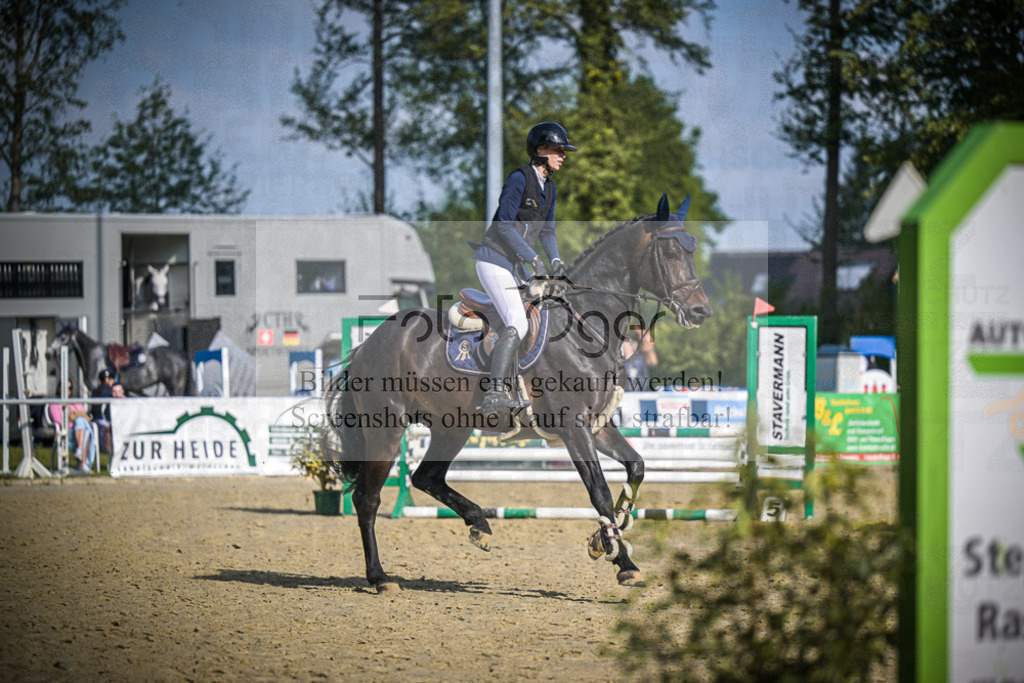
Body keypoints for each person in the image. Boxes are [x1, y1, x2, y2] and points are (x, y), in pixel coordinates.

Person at [472, 122, 577, 414]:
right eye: (558, 150)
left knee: (547, 313)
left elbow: (547, 232)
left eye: (563, 151)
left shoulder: (550, 189)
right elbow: (504, 225)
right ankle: (494, 394)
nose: (563, 155)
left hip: (515, 267)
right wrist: (533, 258)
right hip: (494, 260)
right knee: (517, 322)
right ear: (540, 150)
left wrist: (555, 260)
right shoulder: (519, 178)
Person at [47, 381, 96, 473]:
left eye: (69, 388)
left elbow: (84, 417)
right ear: (58, 388)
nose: (67, 390)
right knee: (83, 426)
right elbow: (58, 421)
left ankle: (80, 451)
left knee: (82, 424)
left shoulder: (76, 403)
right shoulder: (54, 403)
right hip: (66, 432)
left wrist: (77, 422)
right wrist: (75, 423)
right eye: (64, 388)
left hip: (79, 432)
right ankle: (83, 463)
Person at [92, 368, 115, 454]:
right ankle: (107, 450)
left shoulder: (96, 390)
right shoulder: (109, 390)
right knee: (108, 427)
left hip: (96, 419)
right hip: (103, 420)